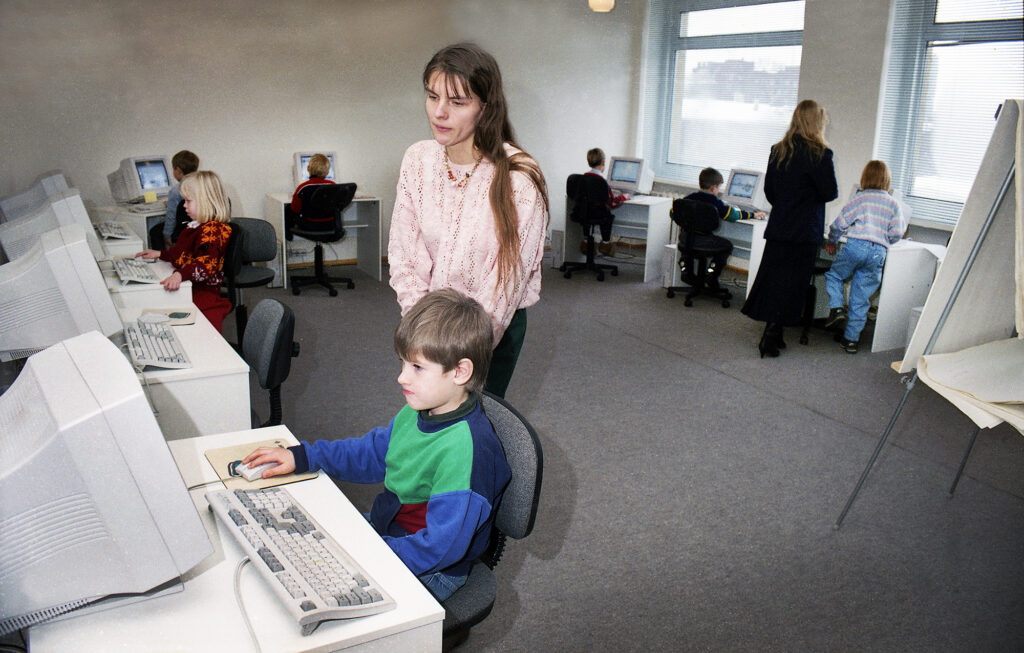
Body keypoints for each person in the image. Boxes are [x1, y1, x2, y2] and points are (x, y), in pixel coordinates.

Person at [240, 289, 511, 601]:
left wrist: (370, 553)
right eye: (403, 364)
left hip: (431, 566)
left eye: (417, 368)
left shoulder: (466, 450)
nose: (401, 378)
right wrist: (303, 456)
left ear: (460, 371)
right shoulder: (420, 410)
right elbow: (372, 453)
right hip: (390, 532)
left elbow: (441, 548)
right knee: (304, 548)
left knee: (323, 596)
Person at [388, 42, 549, 398]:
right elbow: (405, 256)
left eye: (457, 102)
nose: (439, 113)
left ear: (485, 107)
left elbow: (507, 282)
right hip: (428, 324)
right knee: (429, 426)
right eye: (432, 96)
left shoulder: (518, 176)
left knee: (477, 426)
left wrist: (456, 352)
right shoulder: (418, 159)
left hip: (492, 330)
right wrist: (423, 336)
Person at [741, 99, 838, 358]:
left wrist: (786, 206)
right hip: (805, 230)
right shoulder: (820, 154)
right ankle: (771, 337)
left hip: (780, 227)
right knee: (793, 284)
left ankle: (775, 332)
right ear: (816, 122)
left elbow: (770, 191)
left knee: (774, 280)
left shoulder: (778, 150)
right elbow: (830, 192)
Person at [823, 160, 907, 354]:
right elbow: (897, 232)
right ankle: (851, 341)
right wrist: (885, 241)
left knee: (834, 276)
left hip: (855, 246)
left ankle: (836, 309)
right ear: (887, 180)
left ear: (865, 177)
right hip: (878, 252)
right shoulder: (893, 203)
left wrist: (833, 240)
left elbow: (840, 223)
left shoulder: (860, 198)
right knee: (860, 297)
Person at [136, 170, 233, 332]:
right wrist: (161, 254)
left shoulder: (214, 230)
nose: (184, 206)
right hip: (190, 287)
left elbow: (205, 265)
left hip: (204, 294)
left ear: (205, 201)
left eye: (188, 201)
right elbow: (180, 253)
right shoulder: (195, 226)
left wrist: (180, 274)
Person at [682, 167, 767, 294]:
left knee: (701, 243)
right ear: (714, 188)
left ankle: (686, 270)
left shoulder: (688, 198)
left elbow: (674, 214)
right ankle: (712, 276)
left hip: (685, 239)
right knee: (726, 246)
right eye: (719, 187)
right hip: (703, 241)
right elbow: (731, 215)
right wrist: (753, 215)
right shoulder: (714, 202)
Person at [584, 147, 629, 255]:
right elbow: (611, 203)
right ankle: (605, 243)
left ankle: (585, 241)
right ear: (603, 162)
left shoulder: (583, 178)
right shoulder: (602, 182)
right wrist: (624, 197)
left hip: (583, 214)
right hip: (599, 216)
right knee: (606, 215)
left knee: (590, 215)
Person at [286, 153, 335, 239]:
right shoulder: (333, 186)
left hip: (309, 226)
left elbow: (295, 209)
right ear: (327, 171)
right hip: (329, 225)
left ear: (308, 168)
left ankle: (288, 236)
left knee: (288, 209)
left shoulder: (302, 187)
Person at [162, 150, 199, 247]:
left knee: (155, 231)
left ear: (178, 170)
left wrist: (167, 235)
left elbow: (171, 216)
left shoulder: (176, 190)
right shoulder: (202, 184)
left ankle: (159, 259)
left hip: (183, 231)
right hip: (197, 228)